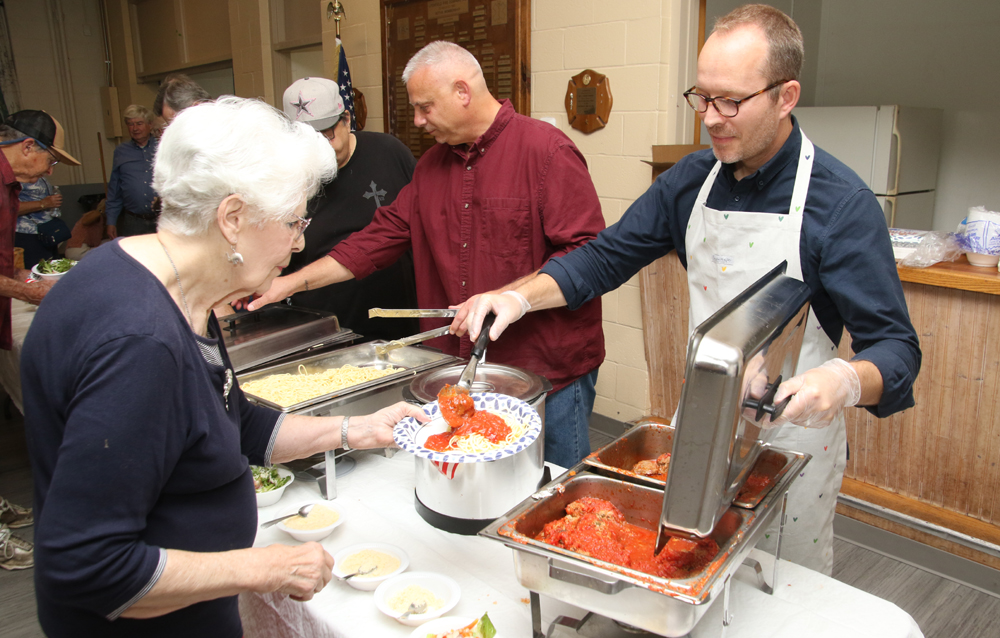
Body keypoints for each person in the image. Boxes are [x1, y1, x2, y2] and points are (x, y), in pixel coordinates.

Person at [453, 4, 921, 576]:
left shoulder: (841, 205)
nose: (712, 119)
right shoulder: (690, 182)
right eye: (702, 97)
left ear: (786, 96)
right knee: (687, 568)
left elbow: (897, 351)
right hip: (701, 422)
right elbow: (604, 257)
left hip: (794, 443)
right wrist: (520, 296)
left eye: (731, 101)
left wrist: (842, 380)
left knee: (780, 588)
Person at [20, 97, 427, 637]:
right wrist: (264, 567)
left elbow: (230, 419)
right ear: (232, 218)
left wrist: (357, 429)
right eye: (292, 221)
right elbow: (89, 568)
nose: (300, 240)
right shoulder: (140, 345)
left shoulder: (161, 280)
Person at [252, 41, 606, 468]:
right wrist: (286, 283)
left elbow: (588, 257)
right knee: (468, 492)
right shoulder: (430, 167)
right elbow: (374, 241)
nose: (417, 121)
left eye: (424, 107)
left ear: (462, 92)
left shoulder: (547, 152)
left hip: (544, 373)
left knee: (553, 492)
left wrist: (512, 297)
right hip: (455, 370)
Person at [0, 109, 81, 571]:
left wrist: (16, 276)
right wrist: (27, 291)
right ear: (27, 146)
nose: (50, 173)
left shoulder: (10, 187)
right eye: (50, 161)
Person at [280, 77, 419, 341]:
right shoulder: (286, 180)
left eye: (326, 134)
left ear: (346, 119)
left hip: (399, 323)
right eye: (307, 138)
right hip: (323, 329)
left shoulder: (389, 152)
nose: (320, 146)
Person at [105, 104, 158, 238]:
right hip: (133, 221)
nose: (135, 128)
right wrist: (111, 221)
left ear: (150, 125)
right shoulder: (121, 151)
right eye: (130, 124)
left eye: (139, 123)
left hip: (162, 219)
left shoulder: (163, 147)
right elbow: (114, 190)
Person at [15, 174, 64, 268]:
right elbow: (8, 209)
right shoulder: (13, 178)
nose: (50, 171)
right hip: (26, 234)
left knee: (53, 270)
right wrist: (43, 203)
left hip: (45, 232)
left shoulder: (39, 175)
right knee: (38, 272)